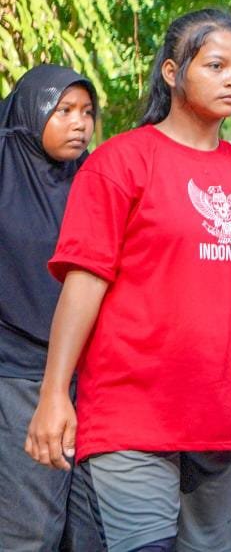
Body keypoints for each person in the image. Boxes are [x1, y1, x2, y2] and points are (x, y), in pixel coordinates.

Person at [27, 10, 231, 552]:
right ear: (173, 73)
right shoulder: (120, 163)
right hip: (134, 413)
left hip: (224, 416)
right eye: (217, 65)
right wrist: (54, 394)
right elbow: (83, 284)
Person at [0, 66, 105, 552]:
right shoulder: (4, 168)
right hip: (17, 372)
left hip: (92, 377)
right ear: (30, 112)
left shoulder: (96, 181)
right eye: (62, 111)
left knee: (89, 531)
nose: (79, 124)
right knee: (30, 528)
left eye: (86, 112)